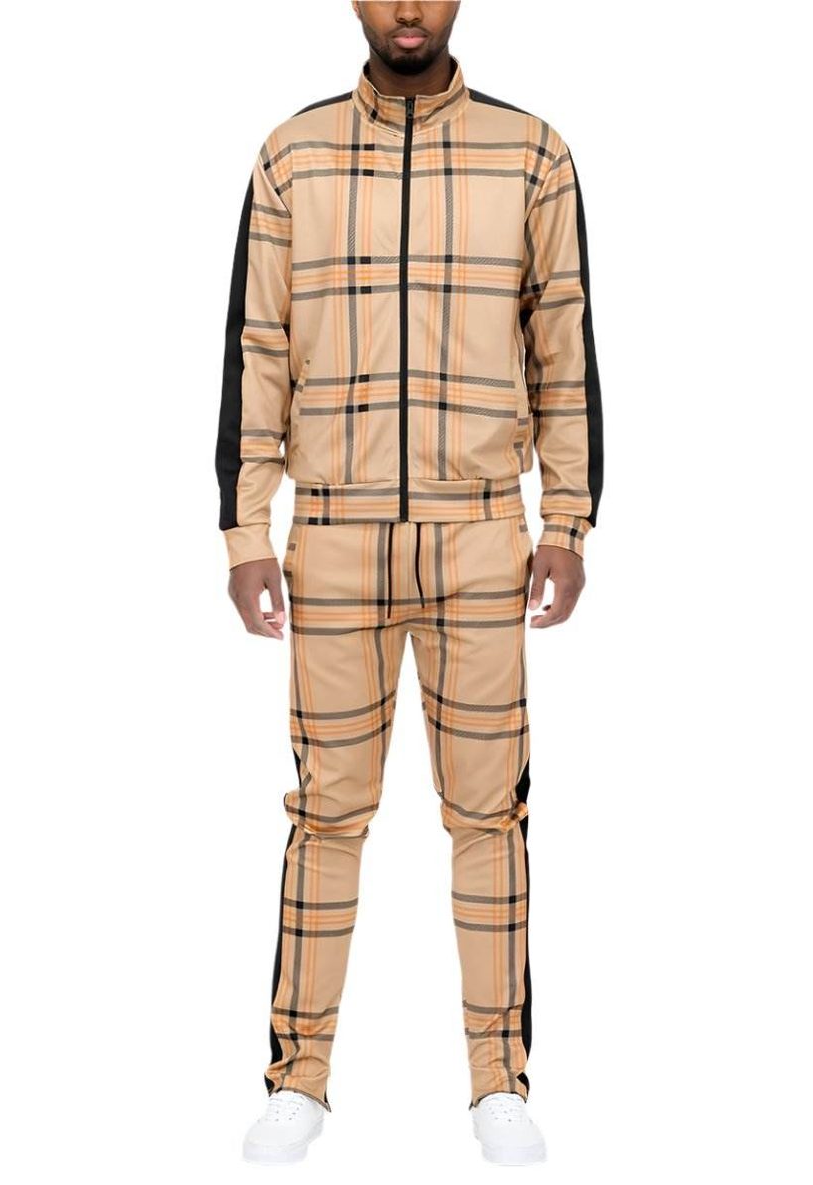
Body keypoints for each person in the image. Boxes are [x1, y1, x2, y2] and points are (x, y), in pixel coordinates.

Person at [215, 0, 603, 1165]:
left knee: (489, 815)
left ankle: (498, 1081)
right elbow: (257, 348)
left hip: (481, 536)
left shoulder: (532, 154)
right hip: (332, 538)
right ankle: (299, 1078)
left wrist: (568, 521)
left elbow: (565, 345)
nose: (408, 8)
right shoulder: (292, 156)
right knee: (326, 814)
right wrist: (245, 533)